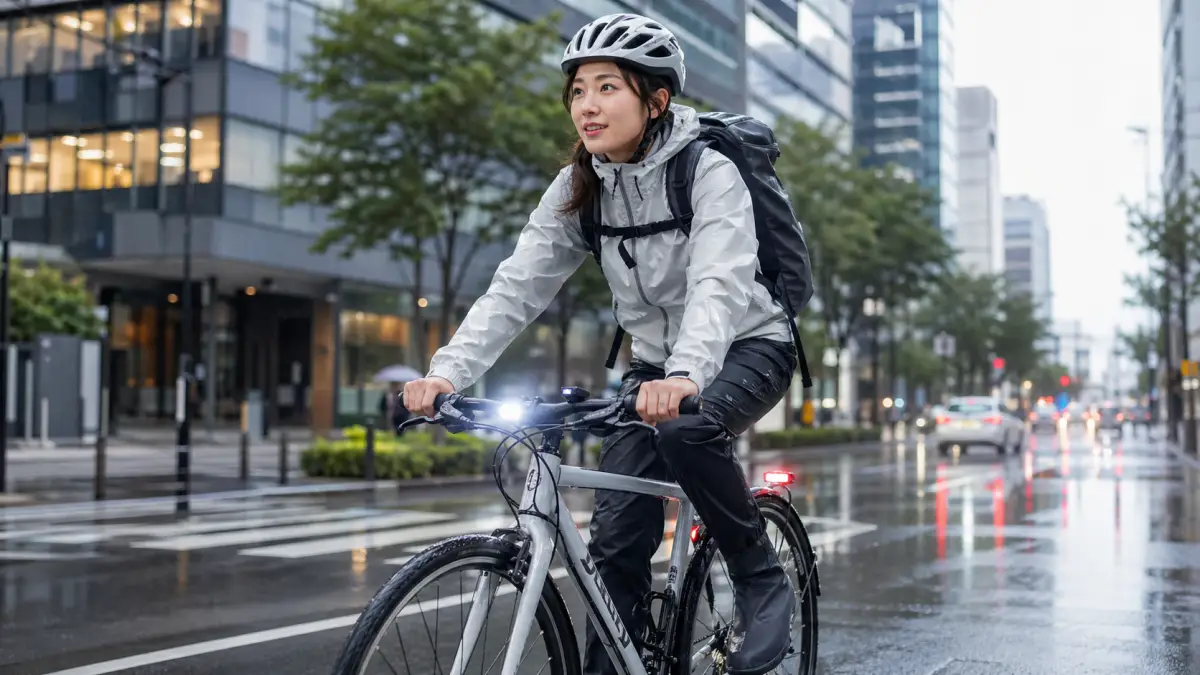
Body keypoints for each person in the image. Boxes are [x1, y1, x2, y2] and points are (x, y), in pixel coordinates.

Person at [403, 13, 798, 675]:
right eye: (579, 89)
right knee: (615, 538)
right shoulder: (580, 188)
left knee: (686, 431)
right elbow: (516, 286)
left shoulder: (708, 169)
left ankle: (761, 580)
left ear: (655, 100)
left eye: (607, 87)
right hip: (653, 368)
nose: (587, 104)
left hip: (747, 344)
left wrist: (687, 375)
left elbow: (719, 282)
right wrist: (446, 372)